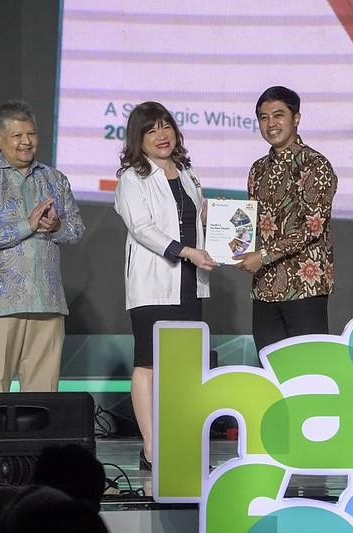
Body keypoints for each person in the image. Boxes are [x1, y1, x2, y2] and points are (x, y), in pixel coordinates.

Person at [114, 102, 218, 470]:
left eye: (166, 126)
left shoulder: (187, 172)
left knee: (184, 367)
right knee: (149, 364)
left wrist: (217, 220)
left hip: (189, 283)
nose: (162, 135)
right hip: (153, 284)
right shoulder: (132, 178)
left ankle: (180, 442)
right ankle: (151, 448)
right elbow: (142, 228)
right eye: (151, 130)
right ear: (138, 139)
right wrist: (187, 252)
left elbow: (196, 216)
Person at [0, 100, 85, 393]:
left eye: (31, 134)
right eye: (17, 135)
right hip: (0, 305)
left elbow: (77, 230)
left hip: (47, 302)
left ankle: (38, 429)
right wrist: (27, 225)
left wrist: (56, 227)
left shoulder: (55, 179)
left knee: (43, 397)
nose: (26, 142)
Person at [235, 86, 337, 354]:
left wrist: (263, 256)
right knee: (269, 368)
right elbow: (251, 221)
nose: (271, 123)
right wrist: (222, 217)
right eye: (264, 117)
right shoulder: (258, 168)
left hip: (304, 285)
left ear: (296, 118)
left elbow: (312, 227)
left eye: (278, 115)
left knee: (307, 368)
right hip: (265, 287)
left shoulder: (315, 164)